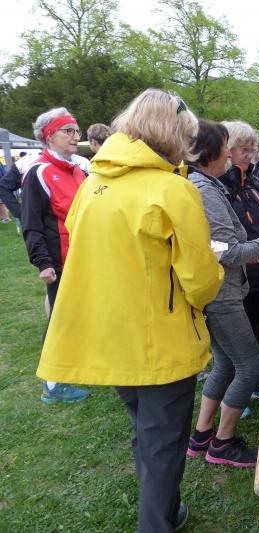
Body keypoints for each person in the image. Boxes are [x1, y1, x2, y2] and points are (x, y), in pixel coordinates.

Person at [36, 89, 223, 531]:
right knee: (162, 443)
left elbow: (79, 240)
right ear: (173, 134)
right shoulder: (172, 189)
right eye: (187, 135)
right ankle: (157, 521)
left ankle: (166, 509)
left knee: (149, 432)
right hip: (160, 342)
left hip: (110, 334)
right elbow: (200, 280)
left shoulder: (92, 184)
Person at [187, 120, 259, 468]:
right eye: (227, 149)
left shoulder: (207, 185)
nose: (232, 157)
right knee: (250, 366)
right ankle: (223, 443)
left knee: (227, 364)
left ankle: (202, 434)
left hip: (221, 290)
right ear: (211, 152)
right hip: (222, 294)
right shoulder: (204, 189)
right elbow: (228, 251)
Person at [21, 107, 92, 405]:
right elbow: (32, 223)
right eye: (68, 131)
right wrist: (43, 262)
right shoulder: (38, 172)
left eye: (77, 130)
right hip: (61, 261)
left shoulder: (78, 169)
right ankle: (52, 385)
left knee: (81, 315)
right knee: (61, 320)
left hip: (85, 258)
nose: (76, 136)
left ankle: (78, 365)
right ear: (49, 136)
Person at [220, 120, 259, 394]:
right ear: (227, 150)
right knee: (238, 343)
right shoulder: (219, 186)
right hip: (236, 276)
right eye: (243, 149)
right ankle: (236, 389)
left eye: (252, 149)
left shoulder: (254, 181)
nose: (249, 155)